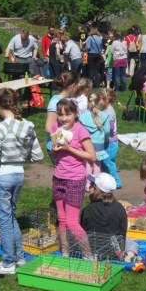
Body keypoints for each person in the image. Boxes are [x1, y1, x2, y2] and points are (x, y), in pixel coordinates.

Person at [0, 88, 43, 274]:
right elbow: (37, 155)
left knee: (3, 220)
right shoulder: (28, 126)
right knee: (10, 216)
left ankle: (8, 262)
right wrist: (19, 158)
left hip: (0, 176)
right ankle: (20, 258)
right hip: (18, 175)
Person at [50, 99, 96, 257]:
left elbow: (91, 155)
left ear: (76, 114)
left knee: (71, 222)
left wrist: (69, 148)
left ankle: (88, 255)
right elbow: (54, 153)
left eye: (68, 114)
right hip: (58, 177)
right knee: (61, 219)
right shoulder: (56, 127)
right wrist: (55, 150)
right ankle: (65, 251)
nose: (63, 118)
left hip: (75, 180)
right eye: (60, 114)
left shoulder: (81, 130)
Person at [80, 173, 138, 263]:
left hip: (93, 250)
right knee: (132, 243)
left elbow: (83, 232)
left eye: (91, 185)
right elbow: (122, 233)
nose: (89, 188)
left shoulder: (87, 209)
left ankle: (95, 256)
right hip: (114, 252)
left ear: (96, 189)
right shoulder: (119, 207)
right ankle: (129, 256)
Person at [45, 71, 79, 161]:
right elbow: (49, 128)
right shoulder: (55, 102)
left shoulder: (68, 99)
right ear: (73, 85)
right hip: (57, 146)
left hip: (67, 145)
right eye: (78, 85)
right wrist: (63, 138)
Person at [80, 92, 110, 186]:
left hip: (87, 143)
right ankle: (96, 184)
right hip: (99, 143)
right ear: (99, 102)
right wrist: (106, 139)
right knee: (97, 164)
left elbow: (80, 131)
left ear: (88, 102)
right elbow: (107, 131)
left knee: (88, 163)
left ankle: (87, 184)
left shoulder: (82, 117)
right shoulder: (104, 116)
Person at [98, 88, 122, 188]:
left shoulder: (109, 112)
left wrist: (101, 127)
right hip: (108, 141)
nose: (98, 101)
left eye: (100, 99)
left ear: (106, 100)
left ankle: (117, 182)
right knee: (105, 162)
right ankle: (107, 180)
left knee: (108, 162)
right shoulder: (107, 110)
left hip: (111, 142)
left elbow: (111, 127)